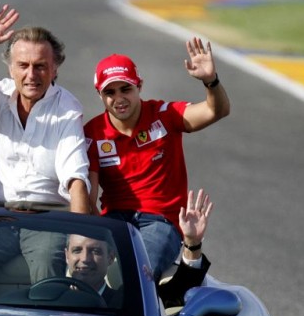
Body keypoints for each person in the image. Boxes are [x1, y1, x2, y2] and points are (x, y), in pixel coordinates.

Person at [0, 4, 91, 297]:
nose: (31, 75)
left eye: (40, 66)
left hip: (47, 220)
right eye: (23, 66)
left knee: (45, 267)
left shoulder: (67, 110)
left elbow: (76, 179)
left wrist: (81, 236)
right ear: (10, 68)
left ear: (55, 69)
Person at [84, 38, 230, 280]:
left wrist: (210, 80)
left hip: (161, 222)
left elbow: (217, 110)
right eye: (110, 92)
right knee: (87, 272)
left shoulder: (166, 115)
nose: (119, 98)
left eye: (125, 89)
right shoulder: (92, 133)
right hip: (114, 220)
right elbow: (88, 196)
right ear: (99, 94)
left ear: (139, 86)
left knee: (139, 275)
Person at [65, 189, 214, 309]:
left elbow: (181, 291)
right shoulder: (49, 298)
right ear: (66, 256)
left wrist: (192, 243)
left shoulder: (132, 299)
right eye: (77, 250)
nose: (85, 259)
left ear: (110, 257)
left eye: (95, 251)